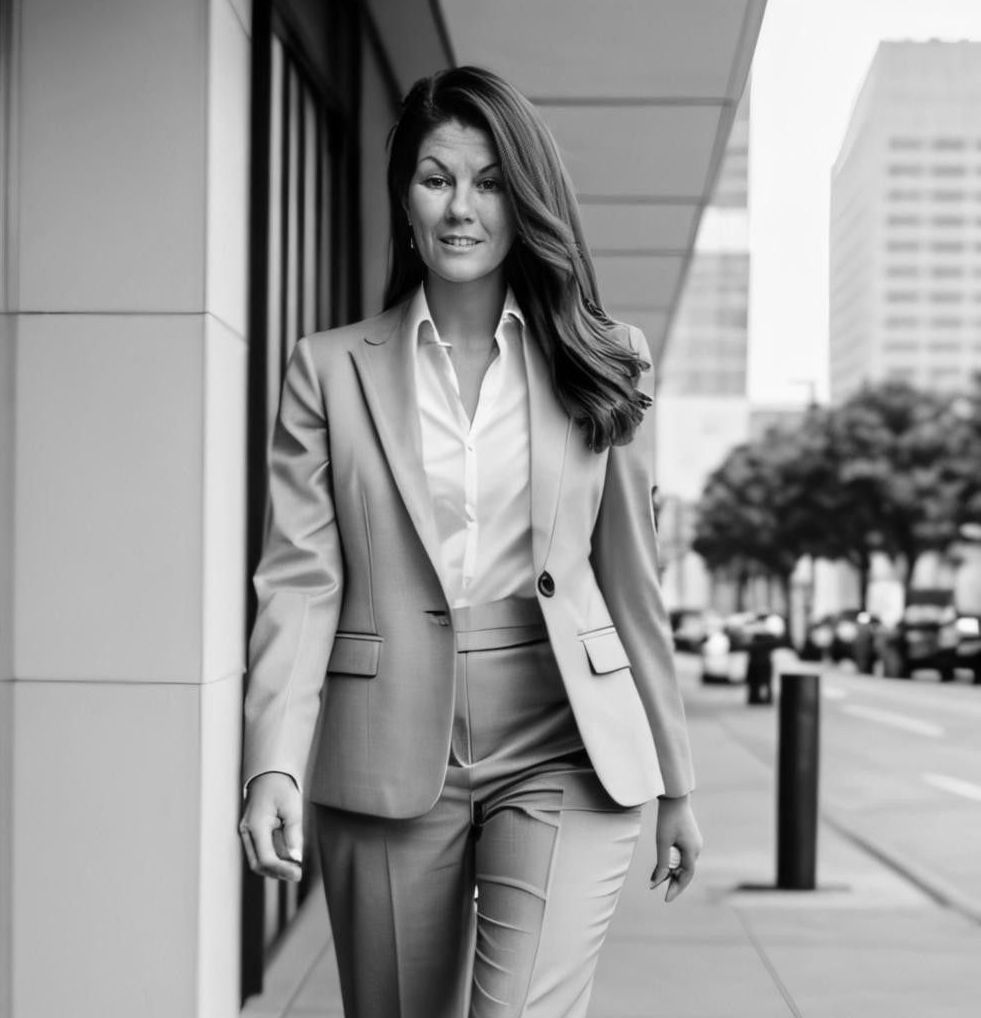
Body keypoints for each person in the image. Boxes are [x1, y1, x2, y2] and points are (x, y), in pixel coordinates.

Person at [239, 65, 702, 1018]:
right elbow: (299, 581)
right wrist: (273, 760)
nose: (461, 208)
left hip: (563, 739)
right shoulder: (327, 371)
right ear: (402, 198)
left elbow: (629, 582)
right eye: (436, 178)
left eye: (489, 181)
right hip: (387, 744)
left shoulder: (603, 357)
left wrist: (676, 780)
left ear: (523, 197)